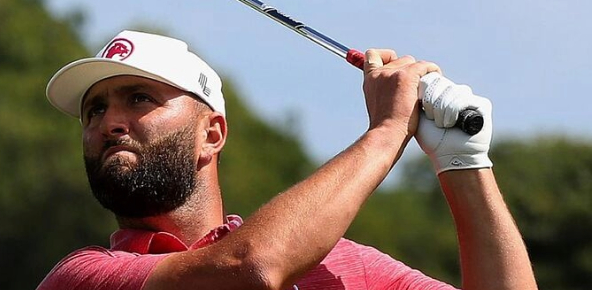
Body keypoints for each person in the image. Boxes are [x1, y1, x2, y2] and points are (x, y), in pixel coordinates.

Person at [38, 30, 537, 290]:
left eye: (139, 99)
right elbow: (251, 269)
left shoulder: (340, 266)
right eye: (95, 111)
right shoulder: (83, 278)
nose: (108, 123)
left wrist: (463, 164)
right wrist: (388, 132)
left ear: (211, 134)